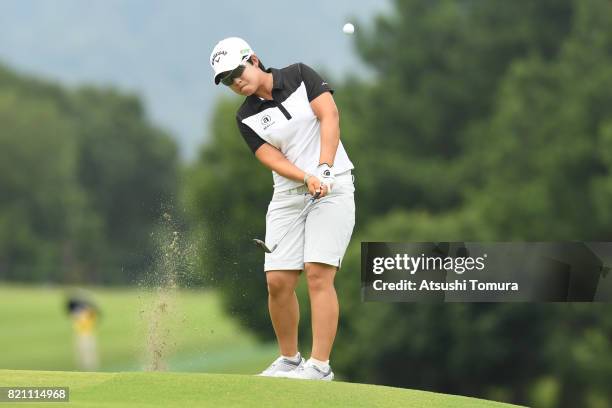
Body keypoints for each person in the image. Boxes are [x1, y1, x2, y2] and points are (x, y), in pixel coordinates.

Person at [209, 37, 356, 381]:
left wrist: (323, 168)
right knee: (277, 281)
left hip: (333, 185)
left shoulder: (299, 76)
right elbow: (270, 158)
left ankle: (320, 366)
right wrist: (305, 177)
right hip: (290, 195)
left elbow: (329, 115)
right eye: (227, 81)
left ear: (254, 60)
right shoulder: (245, 116)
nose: (236, 82)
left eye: (237, 72)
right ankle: (290, 359)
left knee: (318, 274)